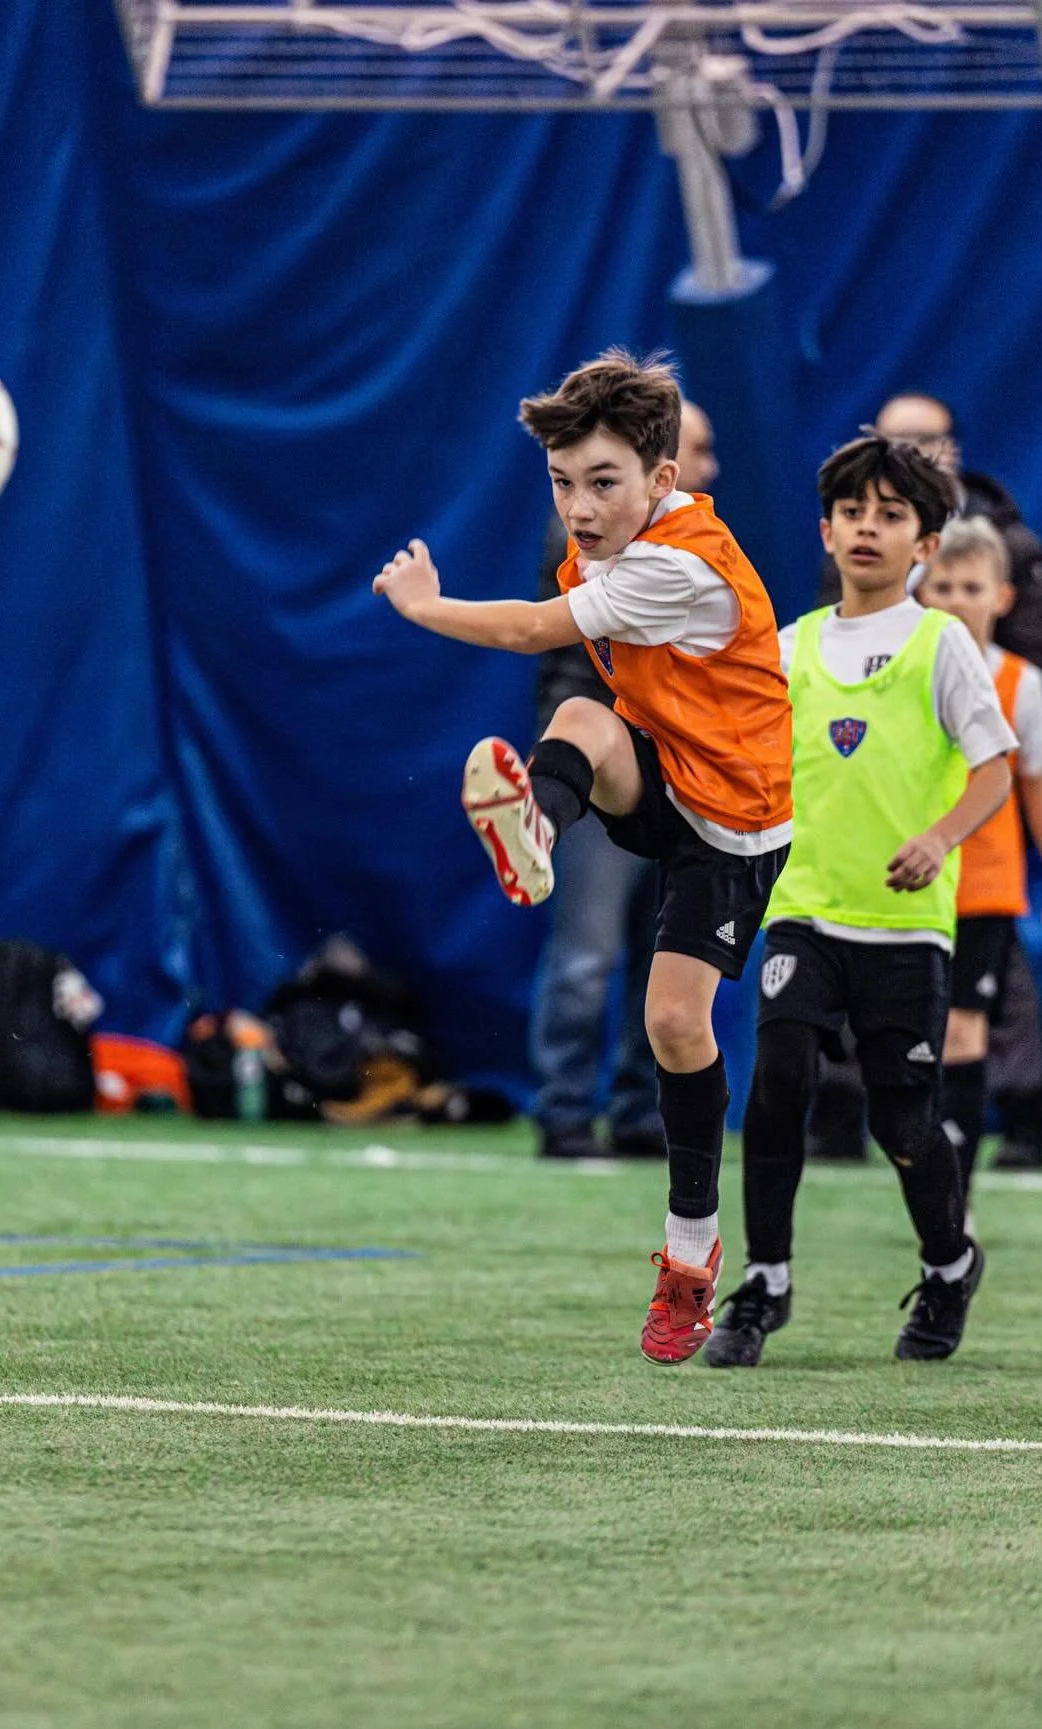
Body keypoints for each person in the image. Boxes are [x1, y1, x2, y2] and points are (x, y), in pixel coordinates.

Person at [373, 351, 791, 1364]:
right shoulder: (605, 547)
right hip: (660, 769)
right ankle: (537, 824)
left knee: (672, 1023)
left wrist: (426, 608)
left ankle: (690, 1255)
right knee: (580, 713)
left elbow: (527, 628)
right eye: (562, 483)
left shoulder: (674, 562)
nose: (579, 504)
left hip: (732, 823)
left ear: (662, 481)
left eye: (602, 482)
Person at [706, 435, 1013, 1370]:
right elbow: (752, 771)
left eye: (891, 515)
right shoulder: (791, 646)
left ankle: (950, 1262)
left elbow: (995, 769)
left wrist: (938, 838)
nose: (868, 529)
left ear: (924, 544)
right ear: (826, 530)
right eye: (853, 513)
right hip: (803, 911)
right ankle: (765, 1281)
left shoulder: (940, 643)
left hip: (905, 928)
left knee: (902, 1119)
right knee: (778, 1088)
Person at [809, 390, 1042, 1167]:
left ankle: (999, 1125)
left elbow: (1026, 763)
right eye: (898, 440)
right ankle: (845, 1116)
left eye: (929, 440)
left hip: (980, 861)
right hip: (885, 838)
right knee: (864, 979)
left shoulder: (1010, 582)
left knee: (979, 1002)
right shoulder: (852, 575)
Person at [527, 400, 719, 1160]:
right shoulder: (602, 533)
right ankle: (564, 1109)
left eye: (704, 450)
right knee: (586, 953)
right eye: (692, 448)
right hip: (608, 774)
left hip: (687, 781)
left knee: (665, 954)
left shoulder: (701, 545)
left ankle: (644, 1112)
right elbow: (536, 636)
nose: (705, 465)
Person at [917, 517, 1042, 1207]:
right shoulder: (900, 671)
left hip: (981, 884)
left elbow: (1037, 782)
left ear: (1002, 597)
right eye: (943, 586)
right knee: (902, 1028)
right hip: (901, 879)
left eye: (971, 587)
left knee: (963, 1026)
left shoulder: (1021, 683)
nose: (955, 599)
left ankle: (955, 1183)